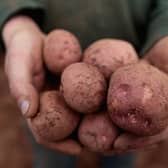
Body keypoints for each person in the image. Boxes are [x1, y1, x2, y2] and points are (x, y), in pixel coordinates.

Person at [1, 0, 168, 167]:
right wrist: (19, 23)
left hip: (140, 54)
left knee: (122, 147)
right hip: (47, 75)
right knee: (52, 155)